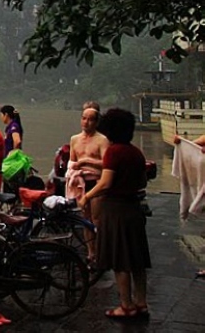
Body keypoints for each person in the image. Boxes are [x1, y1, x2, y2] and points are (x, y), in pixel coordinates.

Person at [78, 108, 150, 320]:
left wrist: (87, 196)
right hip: (134, 209)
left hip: (116, 209)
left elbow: (105, 182)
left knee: (120, 260)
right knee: (137, 259)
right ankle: (141, 303)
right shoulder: (136, 152)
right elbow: (143, 181)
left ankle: (125, 305)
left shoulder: (114, 152)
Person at [67, 106, 109, 262]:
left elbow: (107, 163)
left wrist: (86, 161)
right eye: (84, 118)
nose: (87, 122)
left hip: (96, 182)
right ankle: (91, 252)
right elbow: (72, 162)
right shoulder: (74, 139)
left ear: (96, 122)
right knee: (85, 220)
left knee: (97, 219)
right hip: (81, 183)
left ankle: (101, 252)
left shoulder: (102, 140)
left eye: (91, 119)